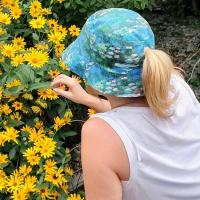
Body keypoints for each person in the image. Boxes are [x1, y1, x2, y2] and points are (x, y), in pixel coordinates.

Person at [51, 8, 200, 200]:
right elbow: (137, 123)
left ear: (94, 72)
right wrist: (88, 100)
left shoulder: (98, 132)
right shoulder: (173, 84)